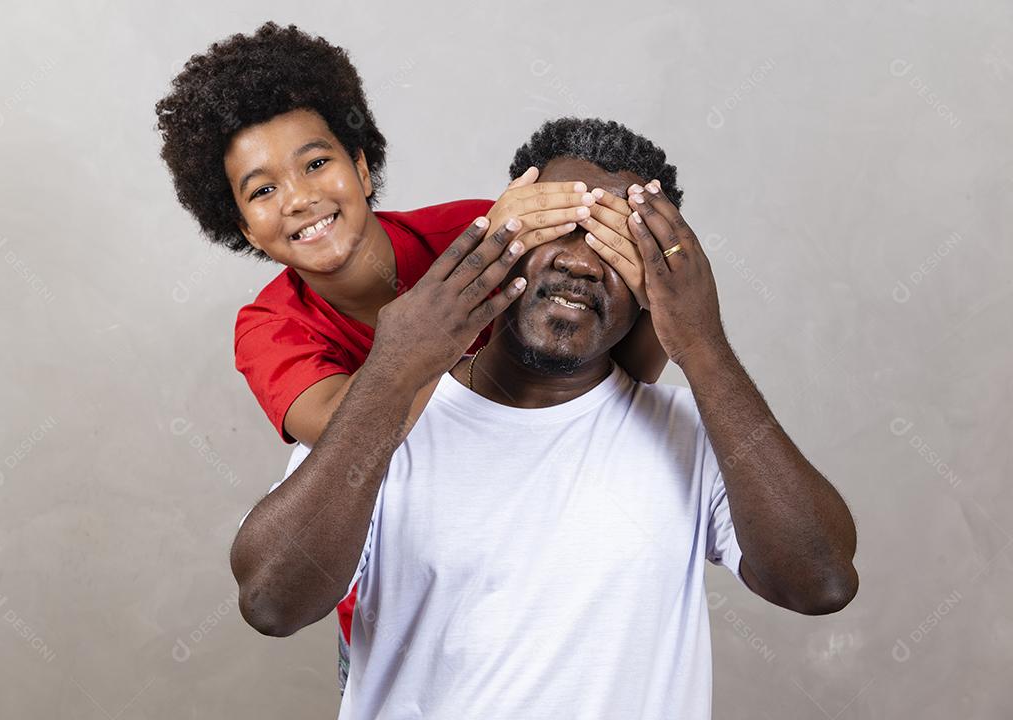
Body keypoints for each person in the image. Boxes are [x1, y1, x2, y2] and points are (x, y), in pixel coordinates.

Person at [230, 121, 859, 718]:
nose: (580, 262)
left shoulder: (694, 435)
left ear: (650, 284)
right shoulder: (381, 426)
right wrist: (397, 367)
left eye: (615, 243)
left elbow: (821, 581)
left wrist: (701, 341)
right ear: (505, 239)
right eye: (559, 226)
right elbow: (271, 601)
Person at [155, 22, 671, 685]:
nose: (301, 198)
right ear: (241, 226)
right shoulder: (271, 327)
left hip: (535, 553)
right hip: (403, 586)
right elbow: (352, 430)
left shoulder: (468, 226)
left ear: (363, 166)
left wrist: (648, 271)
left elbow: (622, 371)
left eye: (317, 163)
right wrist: (489, 256)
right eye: (261, 191)